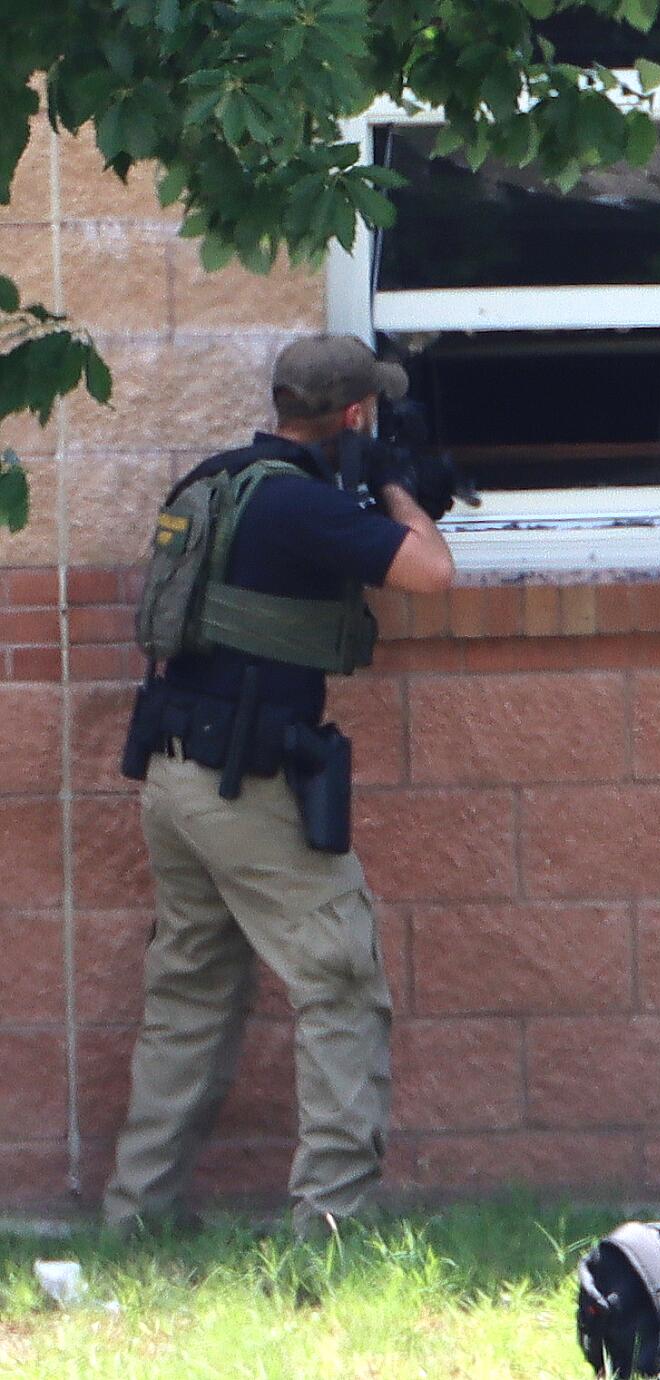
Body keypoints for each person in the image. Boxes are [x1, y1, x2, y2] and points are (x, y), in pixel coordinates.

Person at [103, 334, 455, 1239]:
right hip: (244, 788)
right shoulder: (301, 505)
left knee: (189, 1000)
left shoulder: (212, 483)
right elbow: (431, 571)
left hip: (174, 779)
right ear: (351, 416)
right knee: (338, 981)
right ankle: (328, 1231)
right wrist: (394, 487)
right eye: (368, 415)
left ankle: (136, 1218)